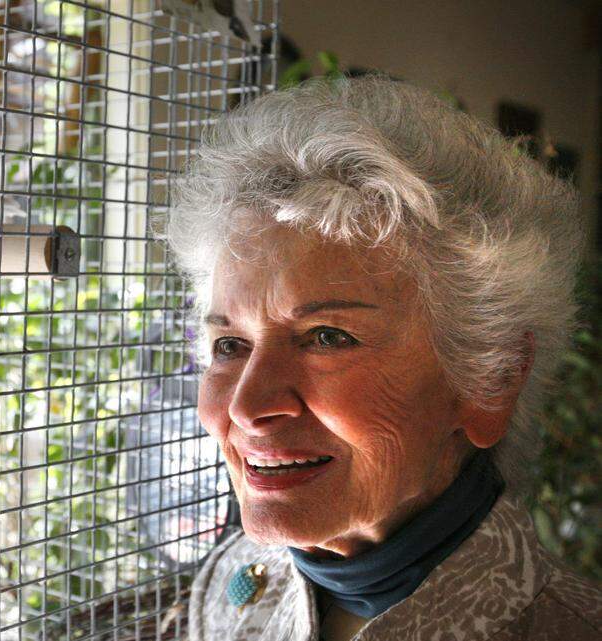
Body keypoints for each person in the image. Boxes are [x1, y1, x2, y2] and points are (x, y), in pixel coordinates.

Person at [162, 76, 602, 640]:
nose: (247, 407)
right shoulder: (235, 586)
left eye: (327, 337)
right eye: (230, 345)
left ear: (492, 379)